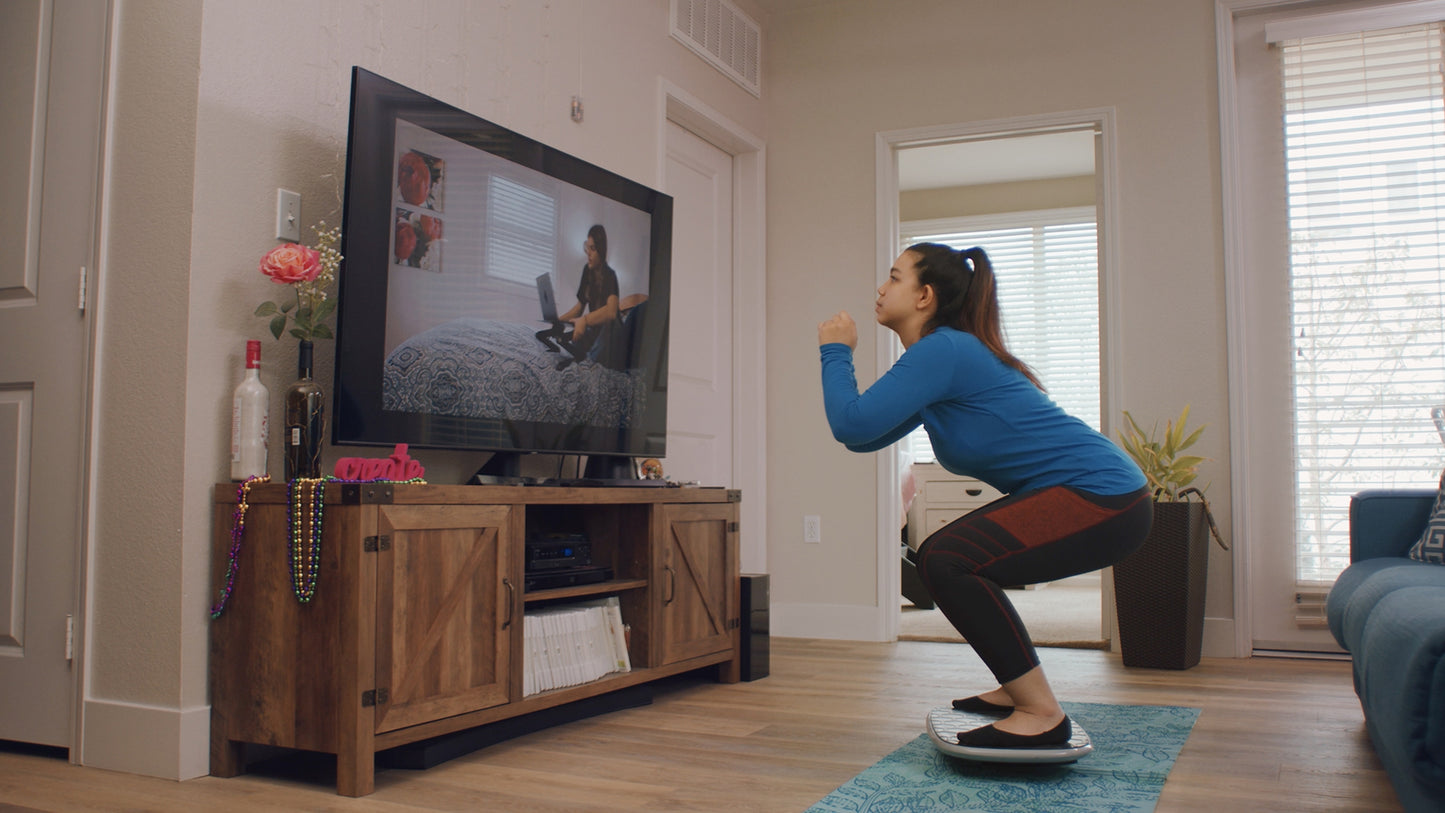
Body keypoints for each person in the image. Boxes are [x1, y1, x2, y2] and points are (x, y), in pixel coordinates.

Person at [818, 243, 1152, 748]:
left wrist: (836, 350)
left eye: (893, 277)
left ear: (925, 295)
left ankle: (1041, 712)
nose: (880, 289)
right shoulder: (939, 362)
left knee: (947, 560)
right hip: (1099, 495)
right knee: (952, 559)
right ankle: (1018, 686)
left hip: (1102, 495)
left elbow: (850, 421)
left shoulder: (944, 351)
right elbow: (862, 436)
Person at [555, 224, 622, 370]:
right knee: (572, 343)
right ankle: (581, 360)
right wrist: (558, 321)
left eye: (593, 249)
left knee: (607, 325)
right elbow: (579, 307)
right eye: (587, 248)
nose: (588, 254)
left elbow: (611, 312)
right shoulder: (587, 271)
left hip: (609, 334)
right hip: (594, 331)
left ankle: (587, 363)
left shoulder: (610, 275)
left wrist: (585, 320)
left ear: (601, 251)